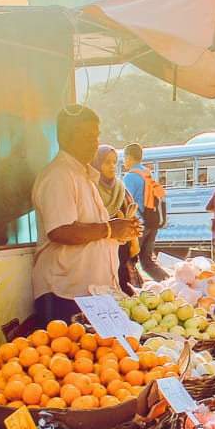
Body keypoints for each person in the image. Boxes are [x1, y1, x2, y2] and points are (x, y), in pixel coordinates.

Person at [32, 106, 141, 325]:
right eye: (87, 136)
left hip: (89, 293)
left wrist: (120, 231)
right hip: (64, 293)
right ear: (65, 137)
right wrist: (109, 229)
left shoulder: (82, 174)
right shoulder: (59, 175)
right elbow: (60, 230)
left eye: (96, 136)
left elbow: (91, 230)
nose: (94, 143)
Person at [92, 144, 142, 295]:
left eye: (114, 162)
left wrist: (133, 231)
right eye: (107, 162)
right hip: (98, 255)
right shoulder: (90, 191)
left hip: (122, 254)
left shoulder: (121, 190)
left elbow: (132, 216)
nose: (112, 166)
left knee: (125, 295)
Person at [122, 143, 168, 281]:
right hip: (152, 222)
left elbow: (126, 203)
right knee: (147, 262)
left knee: (127, 261)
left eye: (124, 158)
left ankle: (133, 288)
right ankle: (168, 282)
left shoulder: (130, 177)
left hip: (138, 225)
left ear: (128, 158)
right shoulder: (148, 174)